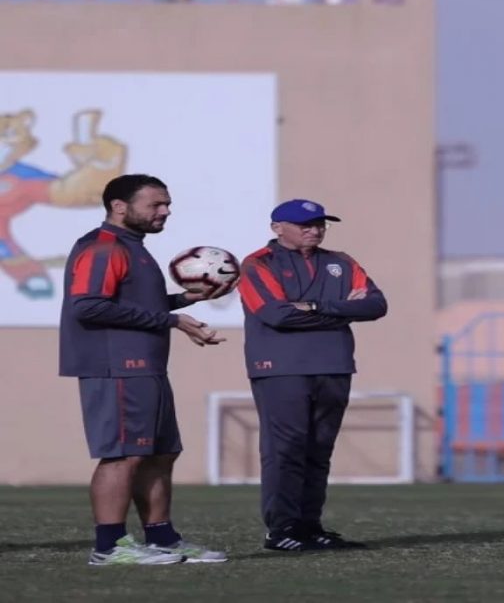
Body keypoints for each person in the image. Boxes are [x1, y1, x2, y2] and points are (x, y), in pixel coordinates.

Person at [59, 174, 231, 566]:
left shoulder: (132, 247)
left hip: (147, 367)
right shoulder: (103, 247)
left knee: (160, 453)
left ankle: (162, 539)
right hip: (116, 367)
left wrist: (185, 299)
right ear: (119, 206)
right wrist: (174, 321)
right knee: (123, 455)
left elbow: (133, 305)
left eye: (167, 204)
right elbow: (88, 306)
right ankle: (109, 547)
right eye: (156, 204)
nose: (165, 211)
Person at [238, 199, 388, 552]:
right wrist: (345, 310)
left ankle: (309, 526)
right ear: (277, 228)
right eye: (305, 225)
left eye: (320, 224)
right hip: (281, 368)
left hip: (334, 364)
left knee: (319, 450)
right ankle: (281, 529)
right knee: (285, 449)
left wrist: (316, 306)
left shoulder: (341, 262)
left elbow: (376, 305)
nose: (315, 230)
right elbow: (277, 315)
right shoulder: (258, 264)